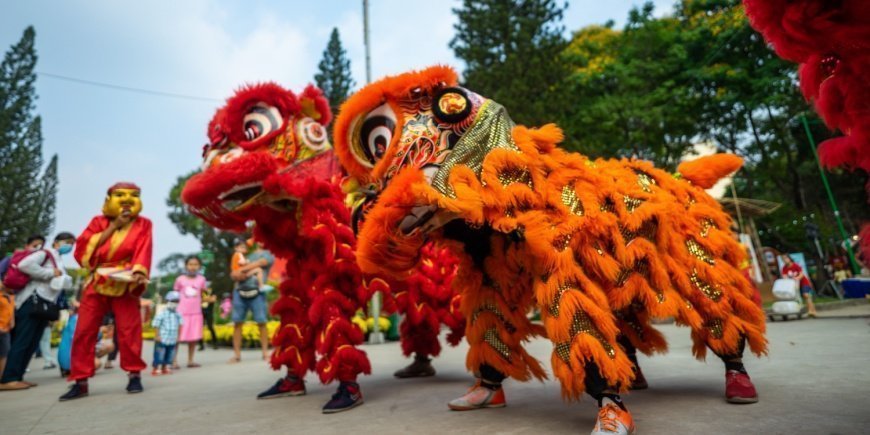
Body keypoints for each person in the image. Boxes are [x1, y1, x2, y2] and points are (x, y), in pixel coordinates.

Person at [59, 182, 153, 401]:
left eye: (133, 196)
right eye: (120, 195)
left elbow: (144, 249)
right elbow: (83, 251)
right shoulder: (98, 222)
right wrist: (113, 226)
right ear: (108, 199)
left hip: (126, 283)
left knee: (129, 331)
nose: (127, 200)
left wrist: (140, 271)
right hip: (97, 281)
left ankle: (134, 375)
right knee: (83, 332)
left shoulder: (144, 224)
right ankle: (80, 381)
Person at [0, 233, 75, 391]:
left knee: (32, 342)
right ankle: (8, 378)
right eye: (66, 242)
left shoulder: (58, 260)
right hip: (31, 303)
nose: (68, 246)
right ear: (56, 243)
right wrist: (49, 274)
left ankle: (18, 377)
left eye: (71, 243)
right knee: (22, 341)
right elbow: (24, 265)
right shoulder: (45, 253)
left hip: (44, 306)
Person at [228, 243, 274, 363]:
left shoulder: (269, 254)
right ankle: (237, 355)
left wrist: (241, 270)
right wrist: (235, 274)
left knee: (261, 322)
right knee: (237, 323)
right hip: (239, 291)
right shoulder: (245, 255)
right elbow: (233, 273)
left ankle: (265, 353)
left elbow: (261, 263)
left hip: (257, 293)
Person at [173, 256, 207, 367]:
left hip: (196, 312)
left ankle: (190, 360)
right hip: (181, 312)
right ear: (186, 266)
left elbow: (204, 294)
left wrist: (207, 299)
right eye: (190, 264)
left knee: (193, 337)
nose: (193, 267)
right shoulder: (180, 279)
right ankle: (173, 361)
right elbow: (175, 295)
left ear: (199, 266)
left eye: (196, 264)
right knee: (177, 337)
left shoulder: (202, 279)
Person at [151, 291, 182, 375]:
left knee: (169, 354)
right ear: (167, 301)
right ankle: (156, 368)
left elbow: (180, 325)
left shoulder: (178, 314)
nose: (175, 303)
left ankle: (165, 367)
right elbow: (156, 324)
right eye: (173, 301)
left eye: (177, 301)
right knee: (159, 354)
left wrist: (178, 337)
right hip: (162, 338)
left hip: (172, 338)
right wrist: (157, 335)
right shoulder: (162, 313)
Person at [199, 285, 218, 351]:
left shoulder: (212, 291)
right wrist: (208, 299)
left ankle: (215, 343)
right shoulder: (200, 291)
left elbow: (213, 300)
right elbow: (197, 300)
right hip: (200, 312)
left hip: (209, 311)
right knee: (200, 328)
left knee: (210, 327)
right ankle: (201, 344)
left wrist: (204, 299)